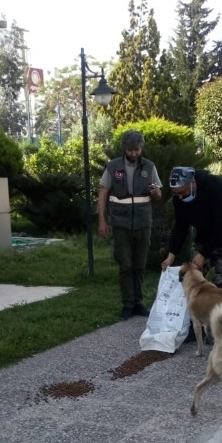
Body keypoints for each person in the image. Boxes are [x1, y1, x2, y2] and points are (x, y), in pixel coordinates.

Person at [98, 130, 162, 320]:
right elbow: (103, 193)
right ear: (124, 149)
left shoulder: (149, 167)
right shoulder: (112, 167)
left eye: (137, 149)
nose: (134, 153)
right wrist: (102, 220)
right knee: (125, 265)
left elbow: (158, 195)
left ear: (141, 148)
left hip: (143, 223)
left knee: (139, 266)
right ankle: (127, 304)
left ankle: (139, 303)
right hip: (120, 224)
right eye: (130, 150)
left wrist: (155, 192)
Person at [160, 166, 222, 288]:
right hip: (204, 237)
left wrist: (203, 254)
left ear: (193, 183)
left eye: (183, 193)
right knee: (191, 281)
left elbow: (221, 226)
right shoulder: (178, 197)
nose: (180, 197)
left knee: (221, 287)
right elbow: (180, 227)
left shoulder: (216, 187)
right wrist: (171, 254)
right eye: (176, 193)